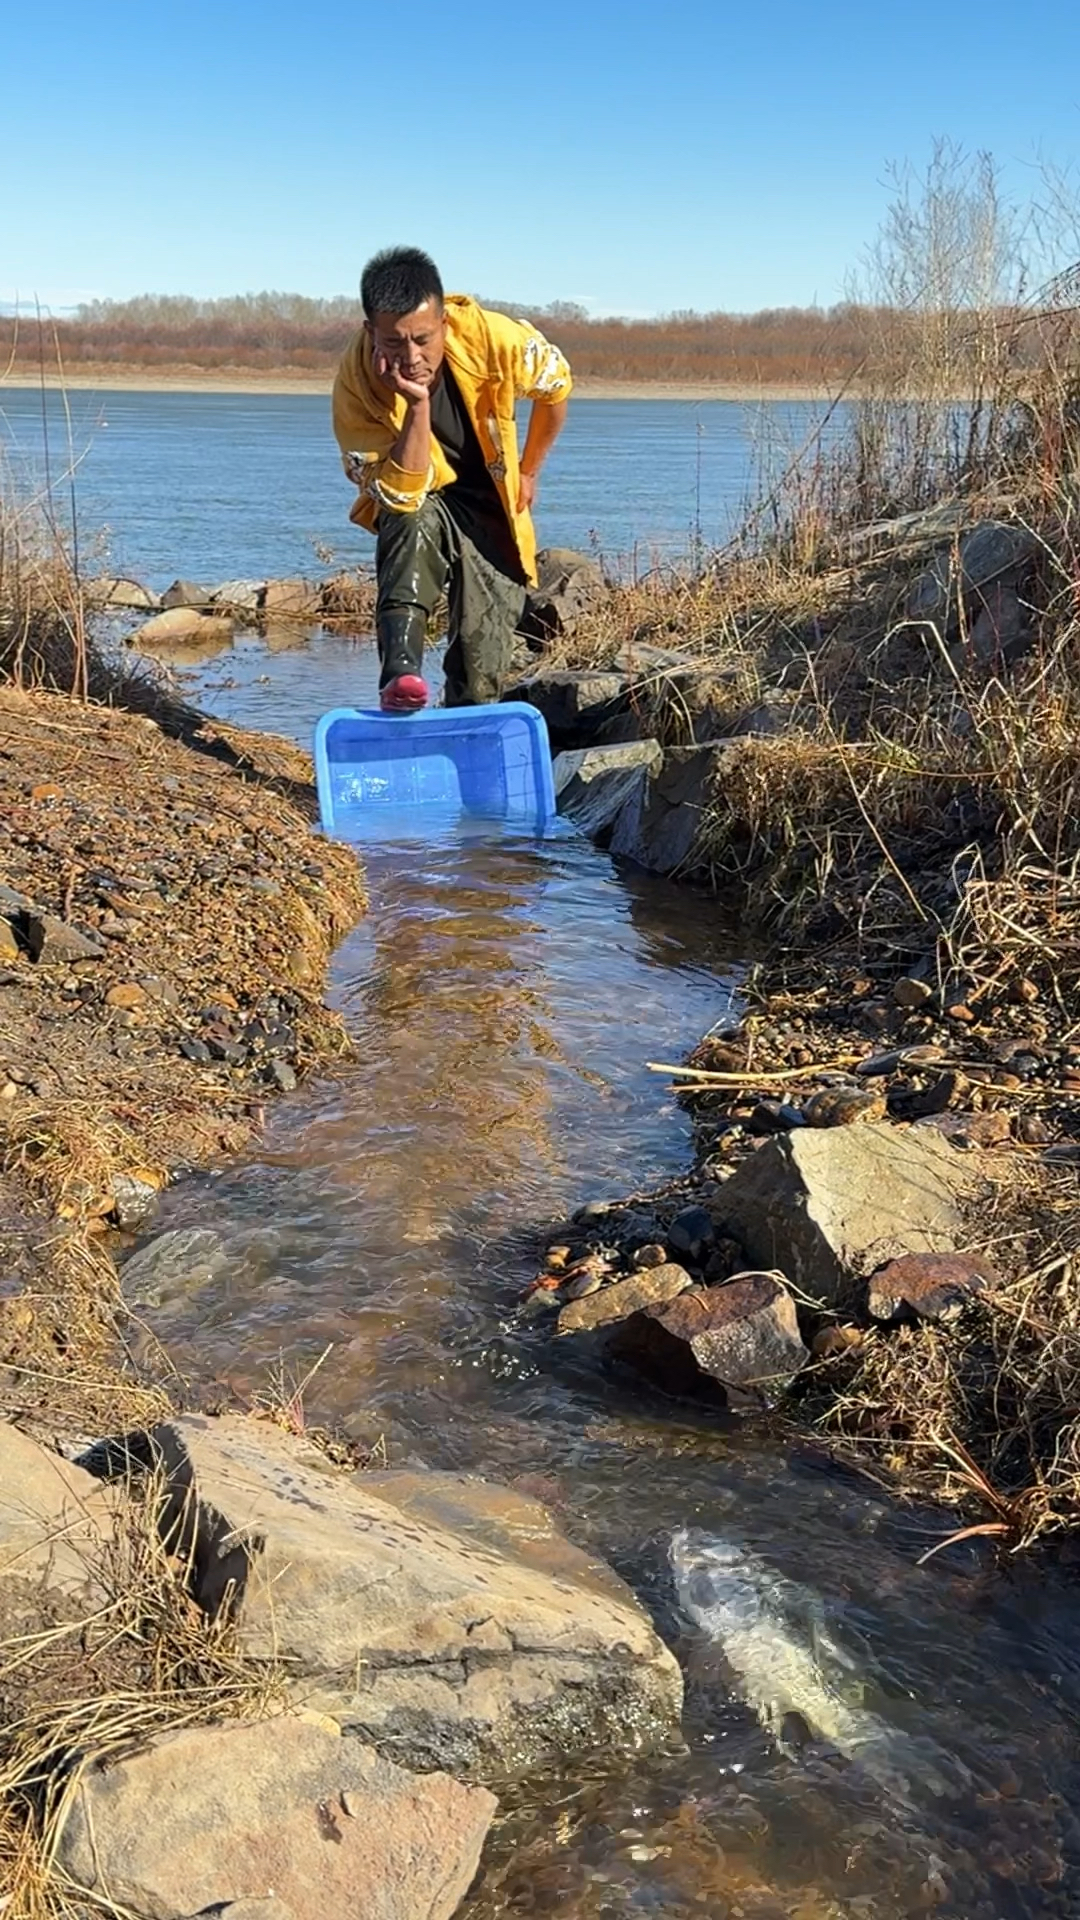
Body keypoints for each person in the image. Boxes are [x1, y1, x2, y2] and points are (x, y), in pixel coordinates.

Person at [332, 247, 572, 711]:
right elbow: (399, 496)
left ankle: (464, 737)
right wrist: (417, 405)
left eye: (423, 339)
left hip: (492, 509)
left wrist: (528, 470)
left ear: (444, 322)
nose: (412, 356)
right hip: (424, 497)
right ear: (371, 332)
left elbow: (558, 389)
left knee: (480, 677)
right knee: (412, 518)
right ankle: (400, 678)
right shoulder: (357, 385)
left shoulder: (497, 339)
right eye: (395, 343)